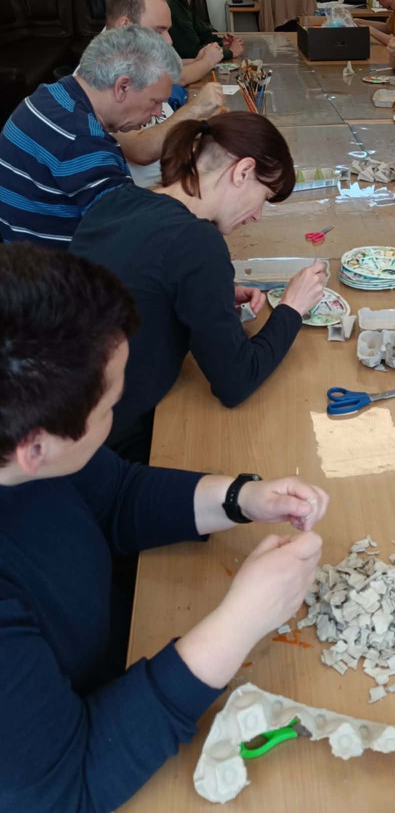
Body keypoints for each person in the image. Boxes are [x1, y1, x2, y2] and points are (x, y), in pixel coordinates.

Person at [0, 242, 328, 813]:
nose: (117, 412)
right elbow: (68, 785)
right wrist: (239, 621)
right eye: (108, 408)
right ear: (36, 448)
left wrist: (241, 497)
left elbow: (117, 496)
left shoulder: (23, 447)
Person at [70, 111, 326, 463]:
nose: (257, 216)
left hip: (48, 416)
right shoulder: (197, 242)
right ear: (243, 171)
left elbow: (144, 283)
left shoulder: (118, 200)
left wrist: (210, 293)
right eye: (264, 197)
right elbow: (236, 382)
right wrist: (291, 308)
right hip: (102, 451)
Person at [0, 25, 181, 248]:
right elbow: (133, 228)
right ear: (123, 87)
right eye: (155, 101)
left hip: (22, 251)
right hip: (54, 265)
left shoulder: (50, 95)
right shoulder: (81, 139)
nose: (158, 112)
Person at [105, 0, 224, 187]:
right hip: (161, 189)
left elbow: (161, 127)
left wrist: (200, 125)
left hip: (180, 169)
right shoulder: (104, 77)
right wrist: (196, 108)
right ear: (125, 27)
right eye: (159, 31)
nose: (169, 40)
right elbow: (141, 149)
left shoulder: (136, 63)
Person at [117, 0, 225, 86]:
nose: (169, 41)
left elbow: (164, 65)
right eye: (159, 31)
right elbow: (175, 78)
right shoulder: (115, 52)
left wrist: (197, 61)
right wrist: (207, 62)